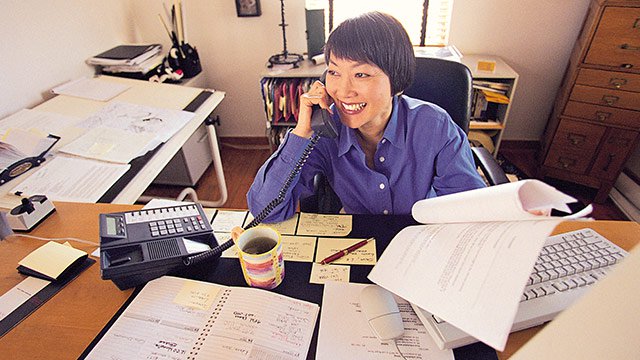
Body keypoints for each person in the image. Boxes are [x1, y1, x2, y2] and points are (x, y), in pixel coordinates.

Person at [247, 11, 485, 223]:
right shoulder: (325, 132)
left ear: (396, 80)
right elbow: (265, 213)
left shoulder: (435, 127)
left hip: (419, 237)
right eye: (334, 72)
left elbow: (468, 211)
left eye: (361, 74)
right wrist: (301, 134)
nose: (343, 91)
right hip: (355, 243)